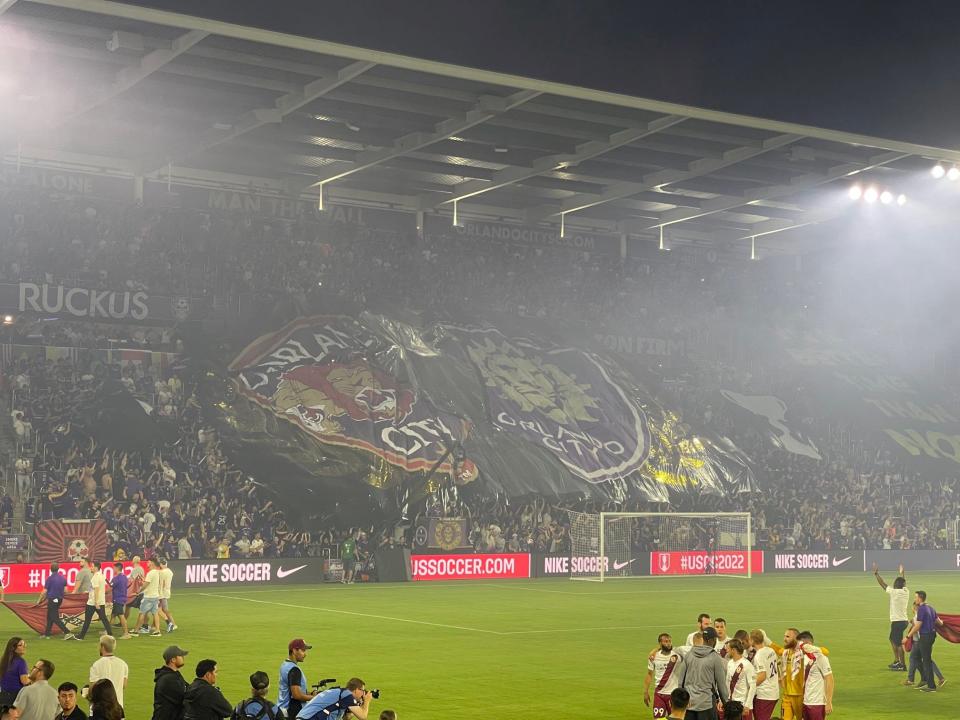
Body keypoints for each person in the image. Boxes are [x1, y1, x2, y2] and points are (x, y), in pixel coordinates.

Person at [677, 628, 728, 720]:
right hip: (707, 705)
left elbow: (681, 681)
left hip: (689, 704)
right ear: (712, 640)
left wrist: (682, 702)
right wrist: (726, 704)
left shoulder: (689, 655)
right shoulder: (715, 657)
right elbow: (721, 686)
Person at [904, 590, 944, 693]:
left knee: (926, 661)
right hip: (932, 636)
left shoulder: (921, 609)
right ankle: (926, 680)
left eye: (915, 597)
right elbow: (939, 623)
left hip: (925, 636)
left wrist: (908, 636)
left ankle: (931, 686)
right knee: (918, 657)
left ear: (920, 598)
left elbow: (917, 626)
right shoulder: (931, 608)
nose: (915, 599)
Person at [872, 562, 908, 670]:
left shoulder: (894, 592)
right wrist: (902, 573)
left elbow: (883, 584)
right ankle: (897, 661)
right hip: (903, 621)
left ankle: (902, 665)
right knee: (892, 639)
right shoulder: (906, 591)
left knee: (898, 643)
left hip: (897, 621)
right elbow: (903, 582)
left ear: (895, 585)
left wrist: (876, 574)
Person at [644, 633, 683, 719]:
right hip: (659, 695)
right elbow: (649, 674)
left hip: (673, 695)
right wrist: (646, 692)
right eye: (666, 641)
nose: (668, 643)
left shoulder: (677, 655)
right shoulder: (654, 657)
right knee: (657, 719)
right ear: (660, 643)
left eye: (669, 641)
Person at [294, 678, 372, 720]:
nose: (363, 694)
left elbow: (346, 718)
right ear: (356, 690)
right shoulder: (347, 695)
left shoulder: (340, 693)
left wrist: (359, 705)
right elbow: (363, 717)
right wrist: (367, 701)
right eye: (363, 691)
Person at [796, 632, 833, 719]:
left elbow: (830, 679)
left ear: (808, 644)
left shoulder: (821, 658)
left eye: (801, 645)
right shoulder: (805, 658)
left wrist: (828, 702)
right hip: (806, 702)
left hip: (818, 704)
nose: (799, 648)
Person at [72, 561, 112, 641]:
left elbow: (96, 589)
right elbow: (98, 588)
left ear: (96, 568)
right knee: (103, 618)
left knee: (87, 620)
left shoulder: (95, 577)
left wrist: (96, 602)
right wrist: (89, 592)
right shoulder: (101, 575)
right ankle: (110, 634)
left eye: (92, 566)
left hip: (93, 602)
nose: (91, 568)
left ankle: (81, 636)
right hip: (100, 601)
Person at [278, 640, 315, 720]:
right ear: (294, 650)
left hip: (282, 709)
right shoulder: (294, 669)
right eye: (303, 650)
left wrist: (310, 693)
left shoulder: (285, 665)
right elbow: (296, 695)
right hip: (292, 712)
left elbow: (290, 689)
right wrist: (314, 698)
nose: (305, 654)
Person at [89, 636, 128, 710]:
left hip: (101, 708)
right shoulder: (123, 664)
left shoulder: (96, 665)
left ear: (102, 647)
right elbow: (124, 685)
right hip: (118, 708)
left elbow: (92, 688)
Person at [747, 630, 778, 720]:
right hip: (774, 692)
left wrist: (749, 686)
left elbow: (762, 676)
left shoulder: (759, 655)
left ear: (752, 641)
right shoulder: (770, 650)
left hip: (764, 695)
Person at [152, 646, 189, 720]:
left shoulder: (174, 674)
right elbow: (184, 697)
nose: (183, 658)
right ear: (173, 660)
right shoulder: (168, 679)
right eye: (180, 656)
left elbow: (188, 688)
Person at [35, 565, 71, 639]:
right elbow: (66, 591)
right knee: (49, 616)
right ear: (58, 569)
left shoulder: (49, 579)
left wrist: (39, 600)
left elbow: (44, 592)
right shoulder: (63, 578)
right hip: (59, 600)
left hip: (52, 600)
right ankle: (47, 634)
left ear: (51, 570)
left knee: (54, 617)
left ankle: (67, 632)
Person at [724, 639, 755, 720]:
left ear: (733, 650)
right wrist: (724, 699)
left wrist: (747, 705)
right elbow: (727, 682)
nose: (726, 650)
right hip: (732, 705)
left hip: (743, 706)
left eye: (728, 648)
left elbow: (753, 686)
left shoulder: (747, 665)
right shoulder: (730, 663)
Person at [135, 559, 163, 637]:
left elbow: (146, 585)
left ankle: (136, 631)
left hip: (149, 597)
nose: (147, 563)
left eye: (148, 562)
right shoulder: (156, 572)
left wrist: (138, 591)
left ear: (152, 563)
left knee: (141, 613)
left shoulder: (150, 573)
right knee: (155, 613)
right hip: (155, 596)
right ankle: (157, 631)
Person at [0, 638, 30, 708]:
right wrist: (32, 679)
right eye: (20, 645)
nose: (24, 646)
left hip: (3, 695)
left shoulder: (3, 660)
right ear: (13, 648)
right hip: (15, 697)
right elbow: (24, 681)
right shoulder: (21, 662)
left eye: (24, 644)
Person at [108, 565, 132, 640]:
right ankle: (108, 631)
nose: (113, 569)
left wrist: (101, 592)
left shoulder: (115, 578)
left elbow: (109, 589)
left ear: (116, 568)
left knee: (121, 616)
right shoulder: (124, 577)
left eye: (114, 568)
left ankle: (126, 633)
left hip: (117, 599)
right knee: (113, 615)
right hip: (122, 598)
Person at [158, 559, 178, 633]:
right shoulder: (170, 571)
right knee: (162, 609)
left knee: (161, 609)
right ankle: (155, 626)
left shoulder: (162, 572)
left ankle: (172, 624)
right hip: (167, 591)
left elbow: (162, 583)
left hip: (162, 593)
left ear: (161, 564)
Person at [123, 558, 144, 627]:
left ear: (134, 561)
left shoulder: (136, 569)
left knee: (142, 609)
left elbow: (133, 580)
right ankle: (123, 622)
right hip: (139, 591)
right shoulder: (141, 568)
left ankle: (144, 625)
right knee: (128, 606)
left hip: (136, 592)